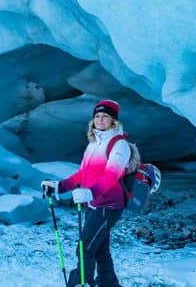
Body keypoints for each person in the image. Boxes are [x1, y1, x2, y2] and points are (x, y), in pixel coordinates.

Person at [41, 99, 134, 287]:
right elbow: (82, 174)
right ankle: (109, 284)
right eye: (97, 116)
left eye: (105, 116)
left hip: (108, 205)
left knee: (84, 248)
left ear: (113, 120)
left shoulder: (120, 145)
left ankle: (81, 282)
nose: (100, 120)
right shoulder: (94, 143)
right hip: (93, 204)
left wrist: (91, 193)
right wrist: (59, 186)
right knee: (99, 249)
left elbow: (111, 175)